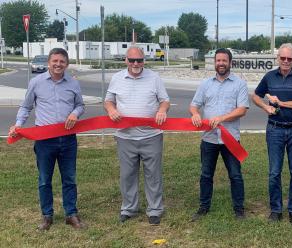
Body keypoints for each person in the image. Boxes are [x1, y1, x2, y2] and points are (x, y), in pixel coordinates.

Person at [8, 48, 86, 230]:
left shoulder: (73, 84)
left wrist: (75, 113)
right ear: (49, 62)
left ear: (67, 64)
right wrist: (18, 124)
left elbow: (80, 105)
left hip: (68, 139)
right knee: (44, 179)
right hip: (45, 140)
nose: (58, 64)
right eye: (55, 61)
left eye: (62, 61)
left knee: (70, 178)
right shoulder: (36, 82)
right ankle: (47, 216)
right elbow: (26, 107)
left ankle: (71, 214)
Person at [104, 46, 170, 225]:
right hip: (125, 137)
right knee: (127, 175)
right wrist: (111, 110)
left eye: (139, 60)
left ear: (144, 61)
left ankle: (155, 209)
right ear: (125, 60)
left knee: (153, 175)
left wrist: (162, 110)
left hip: (151, 136)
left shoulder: (154, 78)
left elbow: (165, 100)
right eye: (132, 60)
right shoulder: (117, 78)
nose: (135, 64)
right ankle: (129, 208)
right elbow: (108, 100)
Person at [252, 43, 292, 225]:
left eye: (289, 58)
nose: (286, 61)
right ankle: (276, 210)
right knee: (274, 172)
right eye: (283, 58)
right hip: (275, 129)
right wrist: (265, 106)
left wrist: (282, 103)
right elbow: (255, 95)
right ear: (277, 58)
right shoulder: (270, 76)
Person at [189, 48, 249, 221]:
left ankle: (239, 209)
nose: (221, 63)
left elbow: (242, 110)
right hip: (209, 139)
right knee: (206, 175)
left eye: (224, 60)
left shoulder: (239, 84)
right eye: (218, 60)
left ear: (230, 63)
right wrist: (195, 114)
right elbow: (194, 105)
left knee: (235, 175)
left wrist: (222, 118)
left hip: (230, 138)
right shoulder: (205, 84)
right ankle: (203, 207)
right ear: (214, 63)